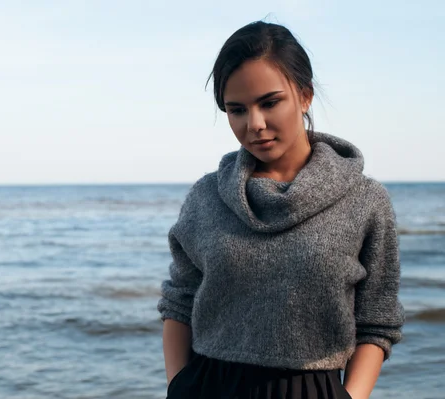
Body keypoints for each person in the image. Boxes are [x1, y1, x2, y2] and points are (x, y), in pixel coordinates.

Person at [157, 20, 405, 399]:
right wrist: (178, 386)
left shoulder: (365, 201)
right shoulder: (206, 198)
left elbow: (377, 321)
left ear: (304, 96)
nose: (254, 124)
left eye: (269, 102)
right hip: (207, 386)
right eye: (236, 109)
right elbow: (180, 301)